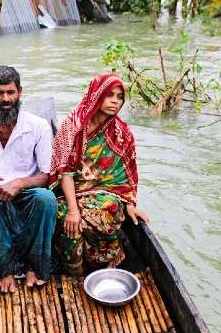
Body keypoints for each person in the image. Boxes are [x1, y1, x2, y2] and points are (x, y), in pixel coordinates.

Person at [0, 65, 57, 293]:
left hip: (27, 192)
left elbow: (45, 175)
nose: (6, 99)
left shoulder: (38, 126)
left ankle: (35, 266)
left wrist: (19, 183)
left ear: (19, 92)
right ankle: (5, 269)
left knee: (47, 199)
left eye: (10, 92)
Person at [49, 72, 150, 276]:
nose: (115, 101)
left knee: (109, 210)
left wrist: (130, 205)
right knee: (65, 218)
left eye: (119, 97)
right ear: (96, 94)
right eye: (109, 94)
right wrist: (72, 210)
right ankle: (76, 271)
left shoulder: (122, 133)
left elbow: (127, 174)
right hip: (69, 193)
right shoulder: (73, 124)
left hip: (105, 193)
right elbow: (64, 170)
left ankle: (106, 257)